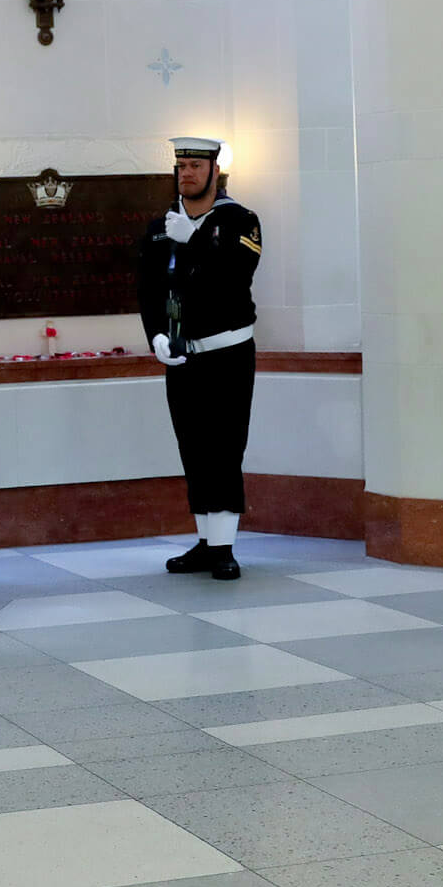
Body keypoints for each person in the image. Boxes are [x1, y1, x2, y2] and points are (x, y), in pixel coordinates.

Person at [139, 136, 262, 581]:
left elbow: (234, 276)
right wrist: (156, 334)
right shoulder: (161, 226)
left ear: (215, 171)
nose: (187, 173)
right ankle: (207, 543)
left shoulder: (240, 221)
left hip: (228, 355)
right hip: (183, 357)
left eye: (195, 165)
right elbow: (149, 289)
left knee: (225, 448)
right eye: (182, 166)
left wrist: (192, 241)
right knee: (192, 446)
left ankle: (225, 547)